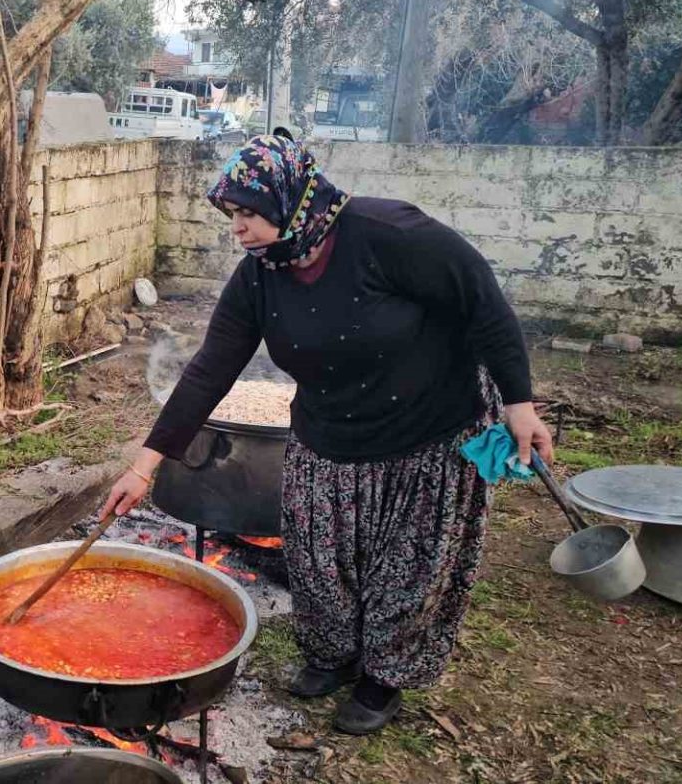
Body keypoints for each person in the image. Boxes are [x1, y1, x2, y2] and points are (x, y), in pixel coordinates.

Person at [100, 134, 555, 735]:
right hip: (329, 432)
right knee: (318, 559)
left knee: (408, 567)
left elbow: (483, 304)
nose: (237, 228)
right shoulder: (262, 273)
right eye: (231, 214)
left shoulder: (389, 235)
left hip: (427, 432)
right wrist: (145, 465)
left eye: (248, 212)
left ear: (291, 200)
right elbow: (210, 368)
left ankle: (382, 678)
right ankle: (334, 656)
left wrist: (519, 405)